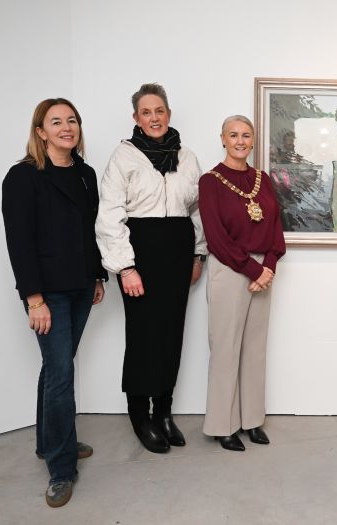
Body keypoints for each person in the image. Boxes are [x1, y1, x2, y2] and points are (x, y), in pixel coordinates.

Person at [2, 98, 107, 507]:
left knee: (56, 367)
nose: (67, 127)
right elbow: (19, 243)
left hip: (81, 285)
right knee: (62, 373)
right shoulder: (22, 177)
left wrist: (98, 276)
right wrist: (33, 299)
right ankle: (61, 469)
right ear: (41, 131)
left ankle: (49, 441)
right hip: (47, 293)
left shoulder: (86, 174)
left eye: (73, 120)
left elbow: (90, 231)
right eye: (56, 121)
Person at [96, 83, 207, 454]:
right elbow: (109, 216)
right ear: (136, 118)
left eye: (159, 110)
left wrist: (198, 256)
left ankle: (163, 411)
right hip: (141, 253)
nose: (154, 117)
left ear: (169, 114)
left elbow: (198, 211)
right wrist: (125, 268)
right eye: (146, 112)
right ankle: (139, 414)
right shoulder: (124, 158)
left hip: (178, 251)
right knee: (144, 335)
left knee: (172, 332)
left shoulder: (187, 157)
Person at [199, 115, 286, 451]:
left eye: (246, 135)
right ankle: (224, 425)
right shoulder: (210, 181)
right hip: (230, 269)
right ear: (222, 138)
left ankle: (251, 420)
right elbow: (216, 237)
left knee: (254, 349)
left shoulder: (263, 179)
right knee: (225, 349)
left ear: (253, 140)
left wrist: (271, 265)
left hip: (263, 270)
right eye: (233, 135)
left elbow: (276, 224)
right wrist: (253, 270)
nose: (239, 141)